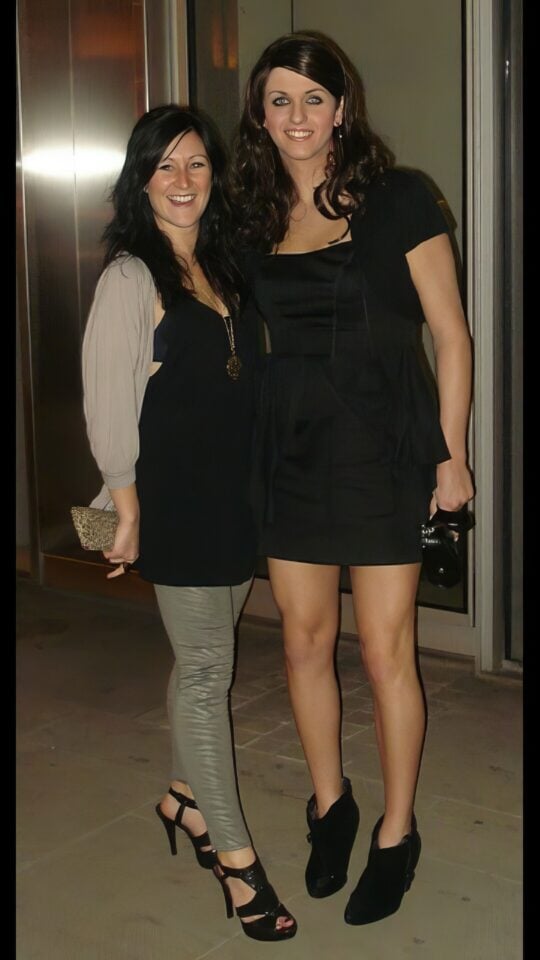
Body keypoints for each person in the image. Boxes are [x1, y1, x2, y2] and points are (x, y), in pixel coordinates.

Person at [230, 31, 474, 926]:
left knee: (383, 655)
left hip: (379, 451)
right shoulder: (247, 211)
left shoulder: (398, 197)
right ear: (261, 113)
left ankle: (396, 832)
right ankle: (330, 805)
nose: (298, 116)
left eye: (314, 98)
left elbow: (450, 334)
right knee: (300, 644)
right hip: (291, 452)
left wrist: (449, 455)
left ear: (343, 106)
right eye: (280, 99)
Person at [81, 104, 296, 942]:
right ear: (140, 179)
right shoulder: (131, 278)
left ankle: (183, 800)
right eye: (164, 166)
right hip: (171, 503)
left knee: (205, 658)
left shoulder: (223, 264)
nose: (182, 181)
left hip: (232, 499)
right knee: (209, 671)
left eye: (196, 164)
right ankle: (239, 864)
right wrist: (124, 505)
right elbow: (107, 404)